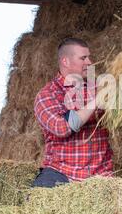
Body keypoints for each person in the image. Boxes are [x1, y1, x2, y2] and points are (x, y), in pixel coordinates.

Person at [33, 37, 113, 187]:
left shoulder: (97, 87)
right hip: (62, 174)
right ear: (65, 61)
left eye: (89, 57)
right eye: (83, 58)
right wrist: (97, 101)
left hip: (101, 176)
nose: (89, 62)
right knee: (38, 200)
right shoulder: (48, 95)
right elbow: (62, 127)